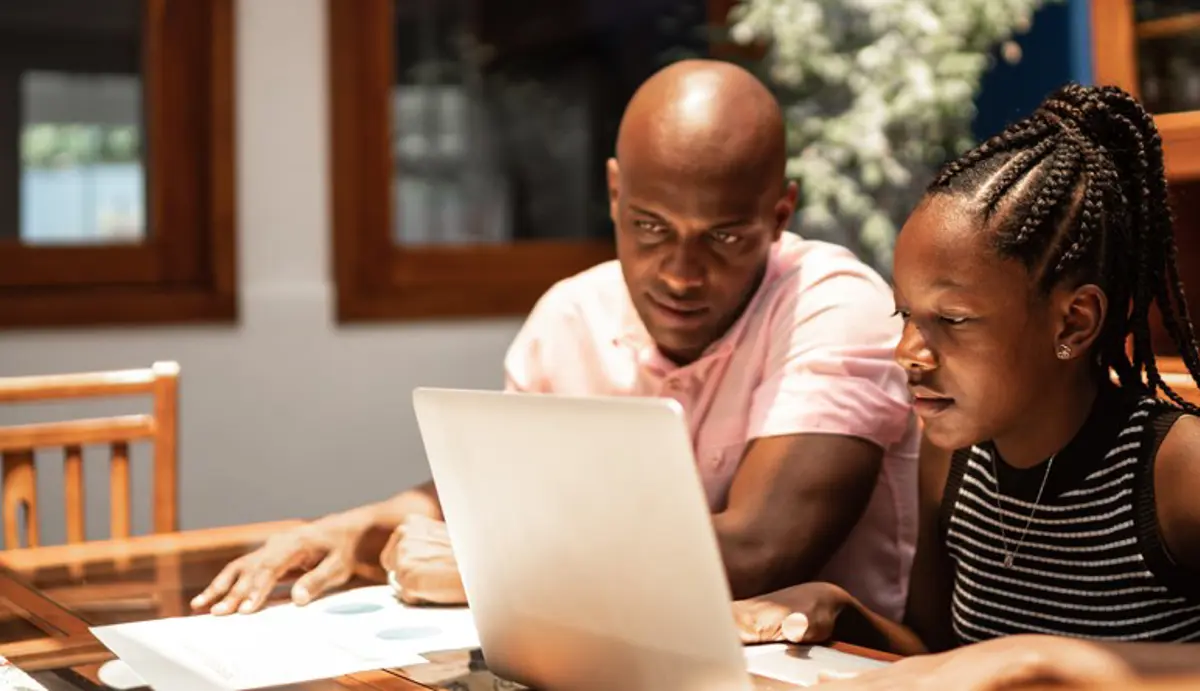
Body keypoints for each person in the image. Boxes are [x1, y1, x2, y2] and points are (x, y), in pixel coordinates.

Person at [191, 59, 919, 619]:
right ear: (614, 193)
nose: (680, 273)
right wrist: (356, 526)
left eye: (724, 236)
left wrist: (490, 570)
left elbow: (762, 551)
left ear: (781, 213)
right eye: (650, 227)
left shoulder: (835, 305)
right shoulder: (572, 315)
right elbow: (496, 495)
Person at [733, 83, 1200, 689]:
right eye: (905, 315)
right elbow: (937, 653)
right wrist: (840, 608)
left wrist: (1036, 661)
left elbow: (995, 665)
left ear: (1074, 322)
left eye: (951, 320)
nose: (907, 353)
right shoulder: (952, 458)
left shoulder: (1176, 471)